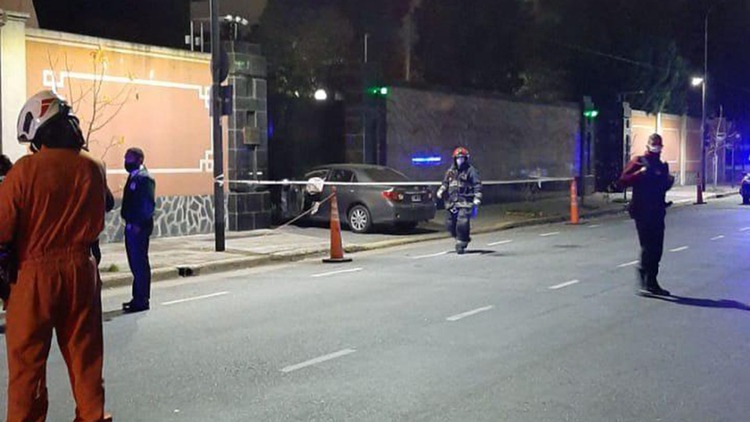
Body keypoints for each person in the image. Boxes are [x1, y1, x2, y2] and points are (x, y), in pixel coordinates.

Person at [0, 90, 112, 421]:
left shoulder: (24, 172)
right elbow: (101, 214)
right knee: (87, 366)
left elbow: (2, 229)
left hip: (33, 277)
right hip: (82, 273)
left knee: (27, 371)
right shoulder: (92, 169)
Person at [619, 133, 674, 296]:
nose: (656, 147)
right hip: (642, 211)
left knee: (657, 247)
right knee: (648, 246)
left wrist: (668, 181)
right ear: (648, 145)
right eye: (654, 144)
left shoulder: (662, 165)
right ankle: (645, 278)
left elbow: (662, 187)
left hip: (657, 211)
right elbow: (623, 180)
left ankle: (652, 280)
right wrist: (638, 174)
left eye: (659, 144)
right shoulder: (639, 161)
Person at [121, 147, 155, 313]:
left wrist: (138, 225)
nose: (126, 162)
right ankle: (137, 297)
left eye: (130, 158)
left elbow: (147, 206)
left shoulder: (144, 178)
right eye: (126, 158)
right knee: (134, 263)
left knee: (140, 262)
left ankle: (142, 299)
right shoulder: (134, 176)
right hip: (131, 225)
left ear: (140, 159)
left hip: (138, 227)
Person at [437, 147, 482, 254]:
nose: (460, 160)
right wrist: (441, 190)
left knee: (462, 222)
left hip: (465, 201)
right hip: (452, 202)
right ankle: (461, 236)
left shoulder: (471, 171)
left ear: (466, 159)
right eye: (458, 158)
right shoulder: (450, 171)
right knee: (449, 224)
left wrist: (477, 198)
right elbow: (445, 183)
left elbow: (477, 184)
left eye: (462, 158)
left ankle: (461, 242)